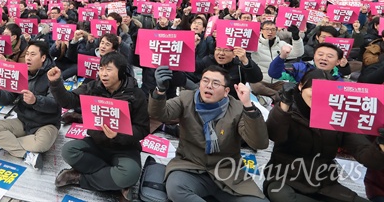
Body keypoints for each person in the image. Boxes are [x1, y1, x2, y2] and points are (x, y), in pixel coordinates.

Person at [149, 65, 269, 202]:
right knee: (176, 189)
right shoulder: (186, 99)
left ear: (226, 91)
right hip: (190, 167)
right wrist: (159, 91)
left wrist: (248, 106)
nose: (209, 86)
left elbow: (259, 143)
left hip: (227, 173)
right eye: (205, 81)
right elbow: (159, 114)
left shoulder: (237, 108)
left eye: (216, 83)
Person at [264, 69, 384, 202]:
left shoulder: (339, 117)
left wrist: (380, 145)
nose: (318, 96)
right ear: (300, 86)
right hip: (284, 181)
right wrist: (284, 105)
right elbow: (275, 135)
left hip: (324, 185)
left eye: (325, 93)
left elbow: (365, 154)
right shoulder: (288, 110)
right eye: (313, 90)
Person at [48, 52, 149, 201]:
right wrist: (56, 83)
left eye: (109, 70)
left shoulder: (136, 95)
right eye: (101, 69)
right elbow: (69, 101)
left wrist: (118, 135)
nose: (103, 74)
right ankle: (111, 180)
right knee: (68, 151)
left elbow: (143, 129)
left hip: (125, 148)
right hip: (97, 143)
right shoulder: (93, 87)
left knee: (130, 174)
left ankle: (79, 178)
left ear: (121, 72)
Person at [0, 41, 61, 170]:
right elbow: (9, 98)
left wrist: (35, 101)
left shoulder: (53, 75)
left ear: (43, 58)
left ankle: (6, 143)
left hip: (46, 124)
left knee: (40, 145)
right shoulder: (21, 73)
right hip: (24, 121)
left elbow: (55, 105)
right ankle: (25, 154)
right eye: (27, 54)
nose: (28, 58)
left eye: (33, 54)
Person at [250, 21, 303, 101]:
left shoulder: (281, 44)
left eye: (273, 29)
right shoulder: (255, 44)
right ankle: (276, 96)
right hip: (262, 80)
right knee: (256, 87)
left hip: (278, 81)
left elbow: (298, 53)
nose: (270, 32)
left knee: (292, 89)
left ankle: (270, 98)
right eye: (267, 29)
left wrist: (296, 38)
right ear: (261, 30)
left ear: (277, 30)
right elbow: (245, 50)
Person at [269, 42, 350, 83]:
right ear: (314, 56)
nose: (324, 58)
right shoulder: (299, 69)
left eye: (330, 56)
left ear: (338, 61)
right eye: (320, 54)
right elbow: (274, 74)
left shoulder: (338, 80)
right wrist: (281, 57)